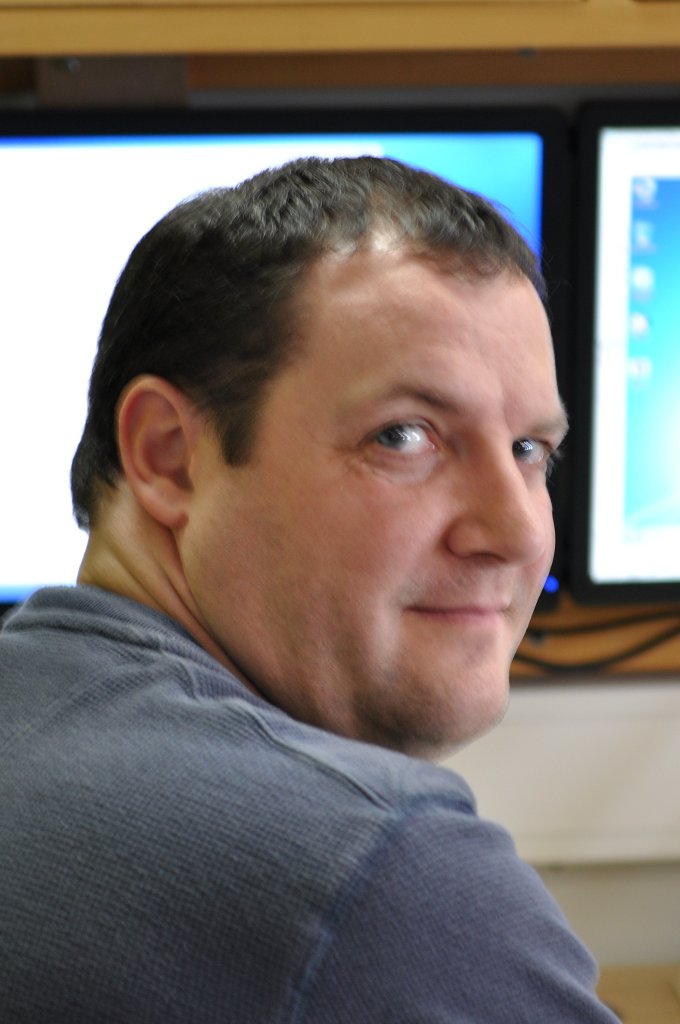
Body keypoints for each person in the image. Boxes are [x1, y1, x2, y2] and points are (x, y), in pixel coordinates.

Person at [0, 156, 618, 1023]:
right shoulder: (386, 877)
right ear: (167, 458)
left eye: (529, 451)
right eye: (404, 437)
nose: (516, 533)